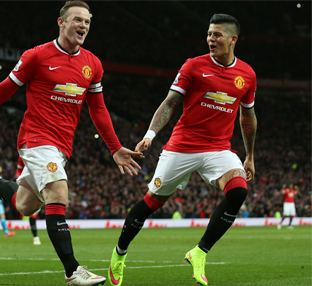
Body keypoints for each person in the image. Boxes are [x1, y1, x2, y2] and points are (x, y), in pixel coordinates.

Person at [0, 2, 142, 285]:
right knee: (57, 192)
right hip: (36, 138)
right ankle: (72, 270)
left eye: (88, 22)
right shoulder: (37, 55)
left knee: (25, 205)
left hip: (62, 145)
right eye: (77, 20)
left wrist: (114, 147)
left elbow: (98, 109)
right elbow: (5, 87)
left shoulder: (93, 64)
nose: (83, 26)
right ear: (61, 22)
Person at [108, 14, 257, 286]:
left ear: (233, 39)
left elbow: (247, 117)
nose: (211, 39)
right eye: (209, 34)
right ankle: (119, 253)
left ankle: (199, 252)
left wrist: (249, 156)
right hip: (182, 147)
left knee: (239, 190)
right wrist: (150, 135)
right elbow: (170, 102)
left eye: (218, 35)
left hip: (218, 149)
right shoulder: (193, 65)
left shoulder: (247, 74)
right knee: (150, 203)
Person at [16, 157, 41, 245]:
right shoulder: (23, 155)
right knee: (33, 214)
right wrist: (22, 183)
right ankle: (36, 237)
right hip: (30, 187)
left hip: (41, 185)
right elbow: (19, 170)